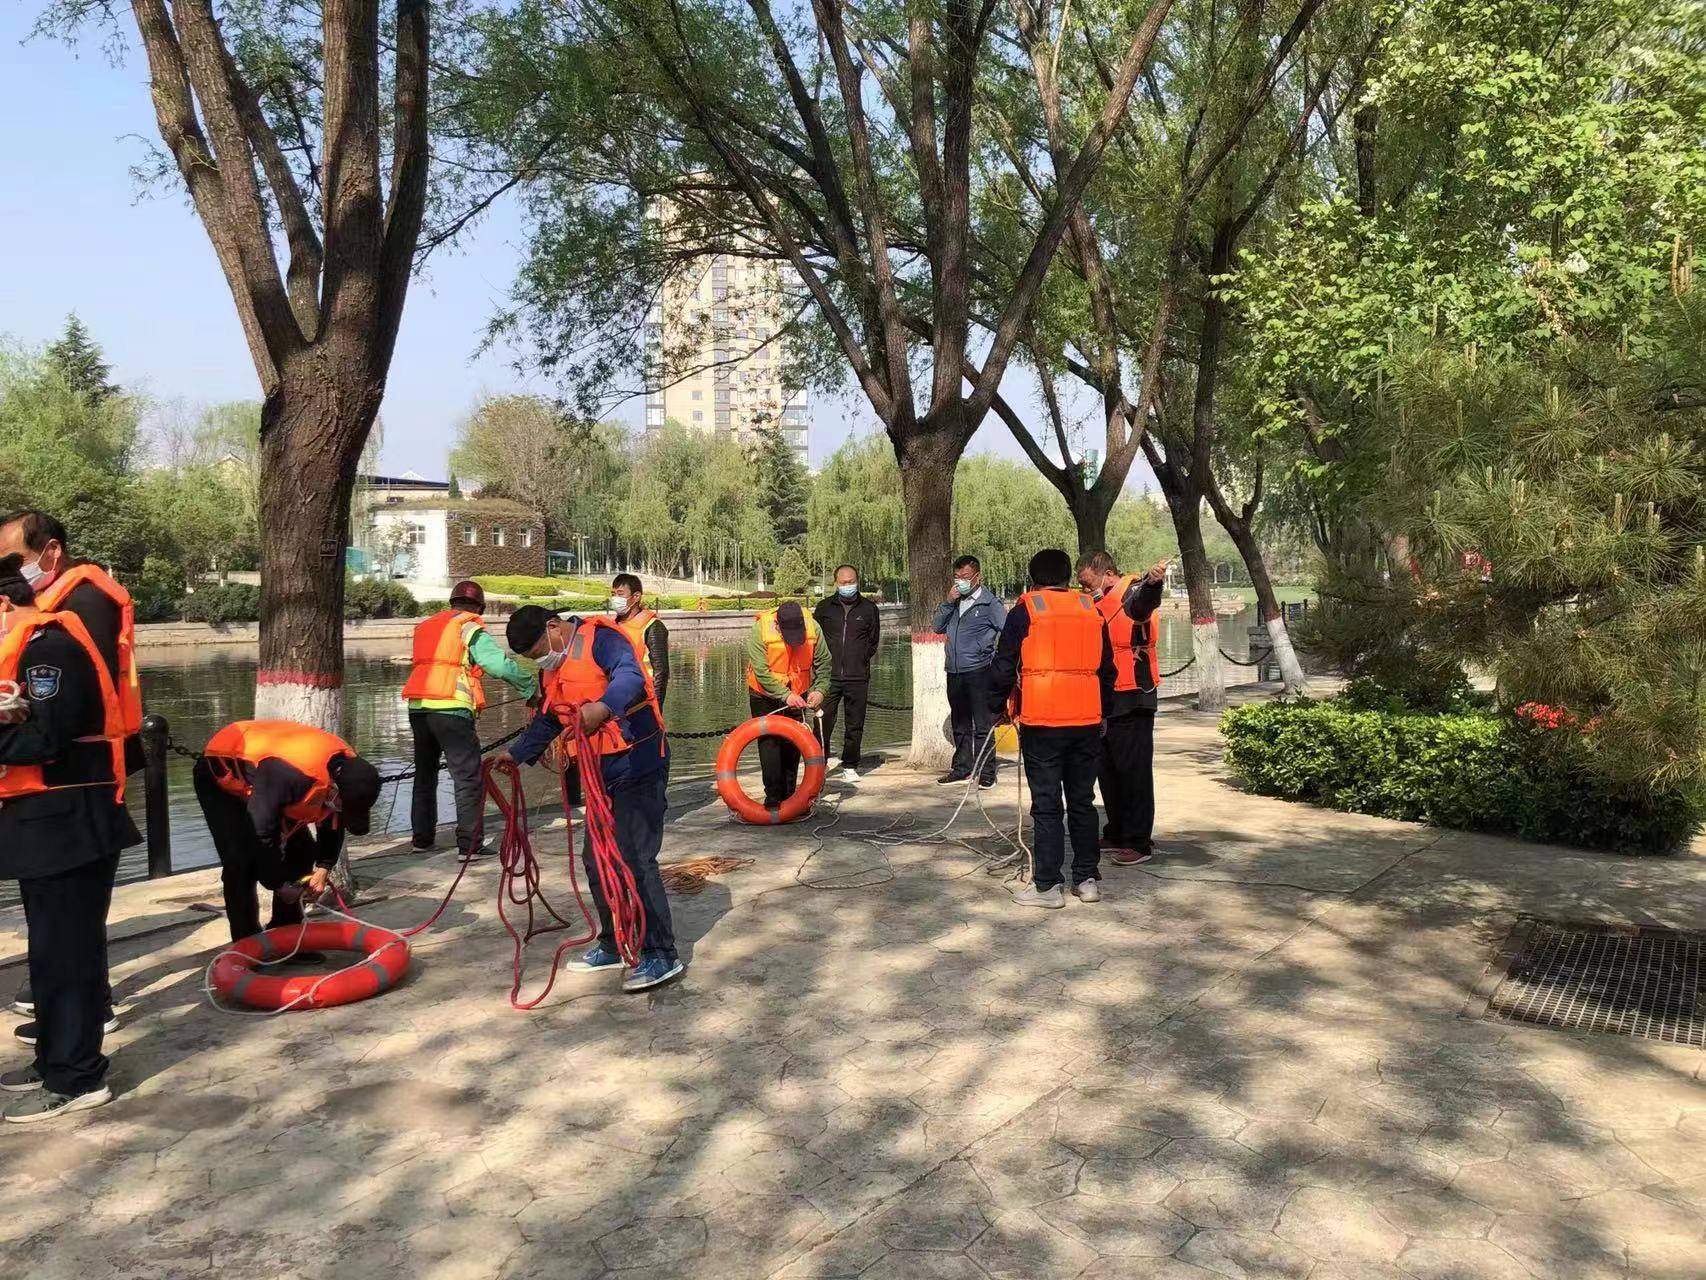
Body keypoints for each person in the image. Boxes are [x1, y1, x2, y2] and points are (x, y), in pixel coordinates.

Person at [0, 553, 136, 1122]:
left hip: (69, 823)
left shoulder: (49, 650)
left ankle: (77, 1076)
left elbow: (46, 741)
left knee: (68, 955)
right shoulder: (31, 649)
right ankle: (54, 1059)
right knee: (51, 954)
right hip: (46, 825)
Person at [500, 605, 682, 992]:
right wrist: (516, 755)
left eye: (539, 652)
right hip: (599, 770)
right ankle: (613, 943)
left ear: (553, 628)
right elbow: (551, 717)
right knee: (596, 859)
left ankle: (661, 953)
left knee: (635, 857)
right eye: (533, 659)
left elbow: (630, 677)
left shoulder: (603, 640)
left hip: (638, 761)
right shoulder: (554, 669)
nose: (541, 661)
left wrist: (602, 708)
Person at [988, 549, 1115, 909]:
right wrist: (1104, 712)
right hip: (1087, 722)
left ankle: (1046, 886)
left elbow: (1003, 665)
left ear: (1034, 578)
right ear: (1067, 577)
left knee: (1046, 805)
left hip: (1043, 722)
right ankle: (1086, 880)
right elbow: (1108, 669)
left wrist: (995, 709)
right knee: (1082, 801)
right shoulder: (1092, 609)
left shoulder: (1026, 610)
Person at [194, 720, 382, 944]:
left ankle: (286, 936)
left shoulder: (351, 775)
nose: (341, 810)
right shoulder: (290, 775)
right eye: (343, 805)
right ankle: (246, 943)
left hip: (268, 785)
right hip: (221, 777)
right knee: (241, 862)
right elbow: (261, 833)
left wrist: (324, 867)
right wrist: (278, 884)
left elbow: (334, 820)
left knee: (302, 851)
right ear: (333, 788)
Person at [402, 580, 537, 859]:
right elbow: (497, 664)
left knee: (425, 775)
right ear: (481, 607)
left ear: (452, 602)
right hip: (451, 707)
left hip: (418, 707)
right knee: (467, 777)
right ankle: (469, 844)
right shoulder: (468, 626)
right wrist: (530, 688)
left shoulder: (428, 625)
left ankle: (422, 840)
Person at [1079, 552, 1168, 866]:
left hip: (1134, 696)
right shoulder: (1100, 601)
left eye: (1088, 584)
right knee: (1108, 770)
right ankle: (1116, 831)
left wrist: (1154, 584)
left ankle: (1138, 842)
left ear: (1107, 574)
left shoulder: (1133, 592)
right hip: (1107, 696)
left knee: (1133, 772)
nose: (1085, 590)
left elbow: (1144, 605)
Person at [744, 600, 830, 809]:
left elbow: (824, 663)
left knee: (793, 744)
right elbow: (761, 672)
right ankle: (773, 795)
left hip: (799, 692)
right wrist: (785, 695)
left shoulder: (814, 627)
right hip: (763, 695)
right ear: (777, 625)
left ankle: (790, 796)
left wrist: (820, 690)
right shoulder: (760, 629)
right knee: (770, 743)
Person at [931, 554, 1005, 788]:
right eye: (957, 577)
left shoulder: (990, 604)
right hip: (954, 671)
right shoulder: (954, 603)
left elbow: (1007, 632)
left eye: (965, 577)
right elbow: (936, 627)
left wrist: (996, 660)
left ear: (977, 577)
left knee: (982, 725)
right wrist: (948, 601)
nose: (960, 581)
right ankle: (962, 769)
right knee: (960, 724)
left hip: (980, 671)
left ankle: (987, 773)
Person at [812, 564, 880, 782]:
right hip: (828, 677)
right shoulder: (824, 608)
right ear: (836, 583)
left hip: (857, 676)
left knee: (855, 724)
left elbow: (873, 641)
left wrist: (860, 658)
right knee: (822, 722)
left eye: (851, 582)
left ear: (857, 581)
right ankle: (818, 764)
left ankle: (850, 765)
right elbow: (814, 639)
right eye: (843, 582)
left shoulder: (869, 608)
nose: (847, 585)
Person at [611, 574, 669, 708]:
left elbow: (661, 670)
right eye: (613, 594)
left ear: (636, 596)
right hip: (616, 694)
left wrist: (656, 706)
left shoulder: (653, 626)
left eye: (620, 594)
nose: (615, 599)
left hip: (643, 696)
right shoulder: (612, 625)